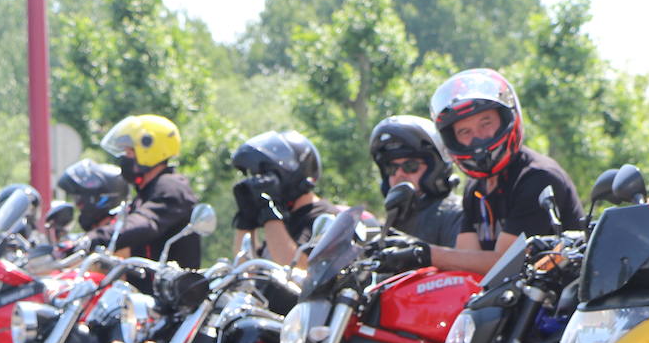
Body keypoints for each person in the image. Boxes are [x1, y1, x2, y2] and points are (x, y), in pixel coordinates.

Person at [384, 68, 582, 276]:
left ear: (506, 119)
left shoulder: (537, 177)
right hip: (512, 303)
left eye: (485, 123)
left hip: (559, 302)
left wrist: (424, 254)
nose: (477, 138)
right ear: (453, 139)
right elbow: (466, 260)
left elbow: (505, 265)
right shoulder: (475, 189)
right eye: (465, 132)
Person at [95, 115, 201, 268]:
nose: (125, 158)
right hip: (139, 291)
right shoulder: (144, 193)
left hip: (169, 291)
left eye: (130, 152)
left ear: (150, 149)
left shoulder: (171, 188)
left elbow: (144, 223)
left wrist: (94, 239)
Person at [231, 129, 341, 266]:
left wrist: (269, 210)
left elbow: (296, 267)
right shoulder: (286, 221)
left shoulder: (323, 216)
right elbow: (246, 269)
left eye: (265, 175)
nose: (260, 181)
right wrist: (246, 219)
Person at [369, 115, 464, 246]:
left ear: (435, 168)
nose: (399, 174)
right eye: (391, 168)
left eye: (410, 166)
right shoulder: (396, 218)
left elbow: (461, 262)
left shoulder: (455, 215)